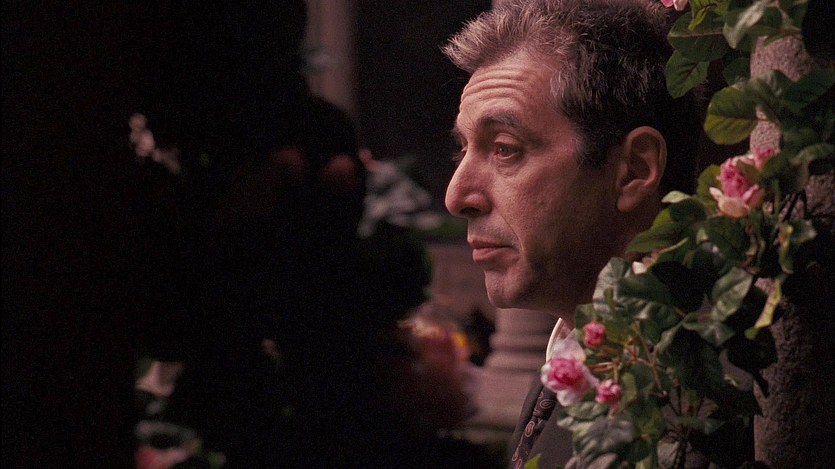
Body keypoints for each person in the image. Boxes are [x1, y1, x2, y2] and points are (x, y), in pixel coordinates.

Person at [441, 0, 702, 467]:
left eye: (504, 149)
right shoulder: (574, 360)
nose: (457, 196)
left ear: (634, 169)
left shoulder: (704, 397)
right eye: (464, 151)